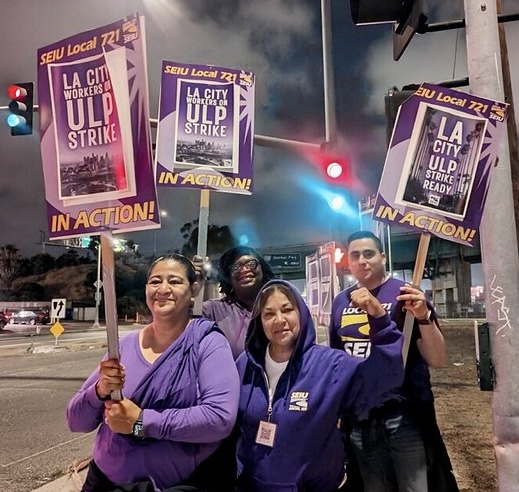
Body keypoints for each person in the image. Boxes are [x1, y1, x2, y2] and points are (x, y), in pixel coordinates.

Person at [67, 254, 240, 492]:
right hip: (103, 482)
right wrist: (99, 391)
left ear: (193, 289)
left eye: (175, 281)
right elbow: (76, 421)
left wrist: (140, 423)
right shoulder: (122, 346)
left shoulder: (207, 343)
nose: (163, 289)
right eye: (155, 281)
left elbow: (219, 419)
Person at [235, 279, 405, 492]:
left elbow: (383, 378)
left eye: (287, 310)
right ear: (259, 321)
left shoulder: (331, 366)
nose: (279, 320)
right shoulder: (245, 365)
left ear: (302, 313)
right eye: (269, 314)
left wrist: (380, 320)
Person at [329, 230, 459, 492]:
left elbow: (437, 358)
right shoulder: (341, 302)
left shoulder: (406, 295)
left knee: (415, 486)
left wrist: (423, 317)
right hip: (360, 417)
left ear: (383, 257)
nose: (363, 261)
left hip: (404, 413)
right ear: (348, 262)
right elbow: (337, 360)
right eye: (356, 255)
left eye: (369, 254)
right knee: (374, 486)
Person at [199, 246, 275, 359]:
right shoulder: (214, 310)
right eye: (236, 267)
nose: (244, 270)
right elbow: (179, 320)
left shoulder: (278, 305)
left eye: (251, 263)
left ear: (262, 268)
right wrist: (190, 285)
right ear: (228, 277)